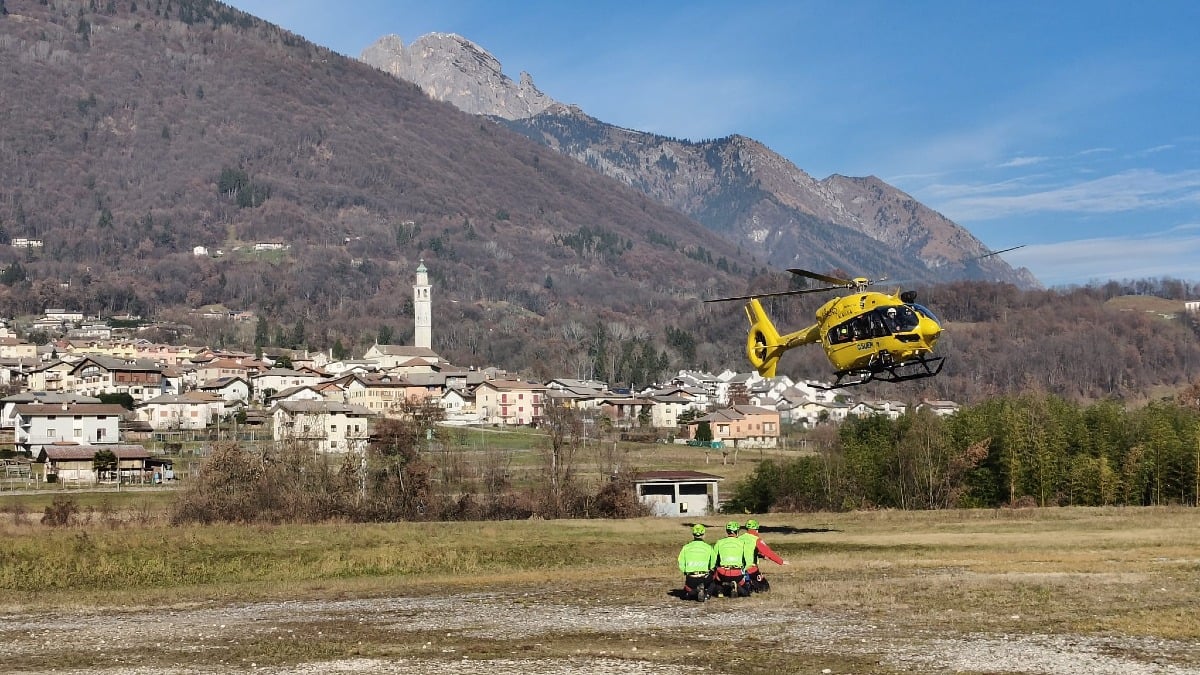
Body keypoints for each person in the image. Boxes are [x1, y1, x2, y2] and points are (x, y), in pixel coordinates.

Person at [739, 518, 788, 593]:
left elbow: (747, 551)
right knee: (765, 588)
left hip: (737, 568)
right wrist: (781, 561)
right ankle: (749, 585)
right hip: (751, 568)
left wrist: (761, 555)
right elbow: (768, 552)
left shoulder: (739, 538)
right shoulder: (756, 539)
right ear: (756, 529)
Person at [710, 521, 750, 597]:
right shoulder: (742, 543)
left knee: (716, 579)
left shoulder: (719, 542)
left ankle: (720, 592)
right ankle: (737, 587)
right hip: (737, 573)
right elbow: (748, 561)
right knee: (747, 592)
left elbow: (714, 559)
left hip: (723, 573)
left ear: (727, 531)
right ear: (737, 531)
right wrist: (744, 569)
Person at [677, 523, 716, 601]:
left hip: (691, 578)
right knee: (712, 583)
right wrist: (709, 569)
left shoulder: (686, 547)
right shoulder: (708, 547)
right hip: (704, 577)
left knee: (688, 591)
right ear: (704, 534)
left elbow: (680, 562)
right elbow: (713, 563)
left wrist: (685, 571)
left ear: (693, 535)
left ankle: (694, 591)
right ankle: (706, 595)